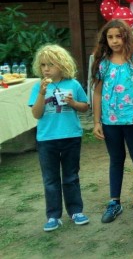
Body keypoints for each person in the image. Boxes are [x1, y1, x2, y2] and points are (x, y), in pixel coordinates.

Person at [91, 20, 133, 224]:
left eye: (119, 36)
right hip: (110, 122)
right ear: (105, 40)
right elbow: (97, 93)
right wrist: (97, 121)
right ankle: (114, 202)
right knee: (116, 159)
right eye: (110, 37)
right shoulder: (103, 64)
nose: (115, 41)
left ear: (126, 37)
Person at [29, 44, 90, 232]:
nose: (46, 69)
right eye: (43, 65)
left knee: (71, 176)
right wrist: (41, 93)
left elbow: (85, 107)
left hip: (71, 136)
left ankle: (76, 211)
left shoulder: (73, 84)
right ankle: (53, 216)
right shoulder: (38, 86)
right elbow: (36, 114)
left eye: (51, 64)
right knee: (50, 179)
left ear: (62, 64)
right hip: (47, 139)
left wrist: (73, 103)